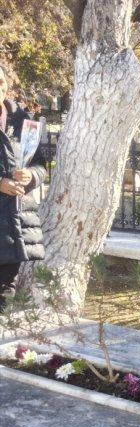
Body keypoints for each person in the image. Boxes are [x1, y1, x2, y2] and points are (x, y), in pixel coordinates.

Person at [0, 62, 46, 311]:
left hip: (14, 223)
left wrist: (31, 176)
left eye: (1, 82)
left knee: (5, 296)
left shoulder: (22, 121)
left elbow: (40, 165)